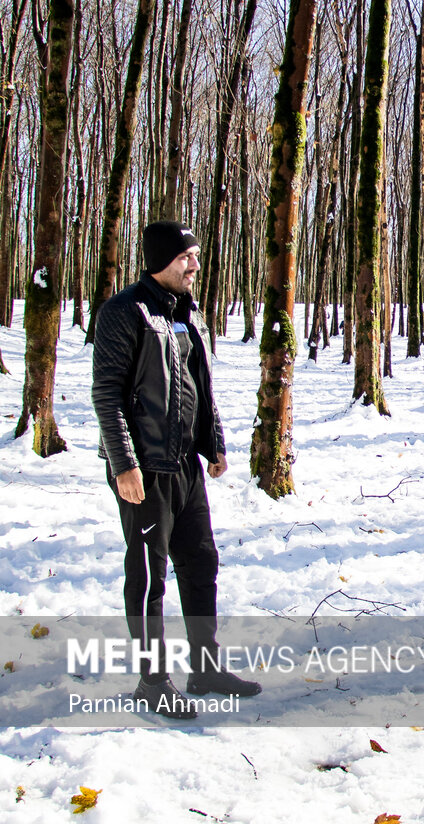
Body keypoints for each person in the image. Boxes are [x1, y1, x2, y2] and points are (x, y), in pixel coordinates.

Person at [92, 220, 261, 720]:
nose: (195, 265)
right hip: (143, 469)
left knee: (201, 563)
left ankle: (204, 668)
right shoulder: (124, 313)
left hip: (185, 466)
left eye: (196, 255)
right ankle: (152, 681)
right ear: (161, 259)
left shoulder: (189, 315)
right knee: (148, 576)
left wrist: (216, 445)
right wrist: (124, 464)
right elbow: (106, 396)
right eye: (186, 256)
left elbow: (201, 386)